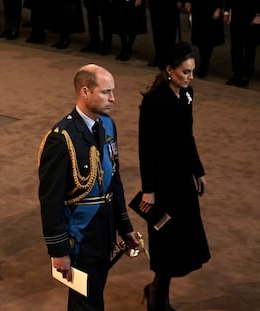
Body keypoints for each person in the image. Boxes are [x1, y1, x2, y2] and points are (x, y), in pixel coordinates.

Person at [38, 64, 139, 310]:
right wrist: (58, 250)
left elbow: (114, 180)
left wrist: (124, 226)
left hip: (104, 234)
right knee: (85, 305)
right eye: (106, 92)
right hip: (79, 238)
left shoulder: (108, 125)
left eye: (113, 91)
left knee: (94, 298)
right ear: (85, 91)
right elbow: (50, 200)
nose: (113, 98)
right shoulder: (61, 138)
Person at [138, 41, 210, 311]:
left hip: (183, 181)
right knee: (167, 242)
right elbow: (145, 149)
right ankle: (157, 298)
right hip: (163, 183)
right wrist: (148, 189)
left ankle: (157, 292)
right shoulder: (153, 102)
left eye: (192, 72)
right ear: (169, 70)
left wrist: (198, 170)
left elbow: (187, 136)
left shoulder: (187, 93)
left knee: (183, 240)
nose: (190, 77)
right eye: (185, 72)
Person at [223, 0, 260, 87]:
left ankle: (246, 76)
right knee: (235, 48)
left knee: (249, 48)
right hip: (236, 17)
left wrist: (258, 15)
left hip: (252, 17)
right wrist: (226, 12)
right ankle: (236, 74)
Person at [185, 0, 225, 78]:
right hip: (199, 8)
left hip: (212, 9)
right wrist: (189, 2)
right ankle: (203, 65)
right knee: (200, 40)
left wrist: (219, 8)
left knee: (209, 40)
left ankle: (204, 67)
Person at [148, 0, 184, 68]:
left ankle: (168, 59)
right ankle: (158, 57)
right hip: (156, 4)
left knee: (170, 32)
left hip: (171, 5)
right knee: (157, 32)